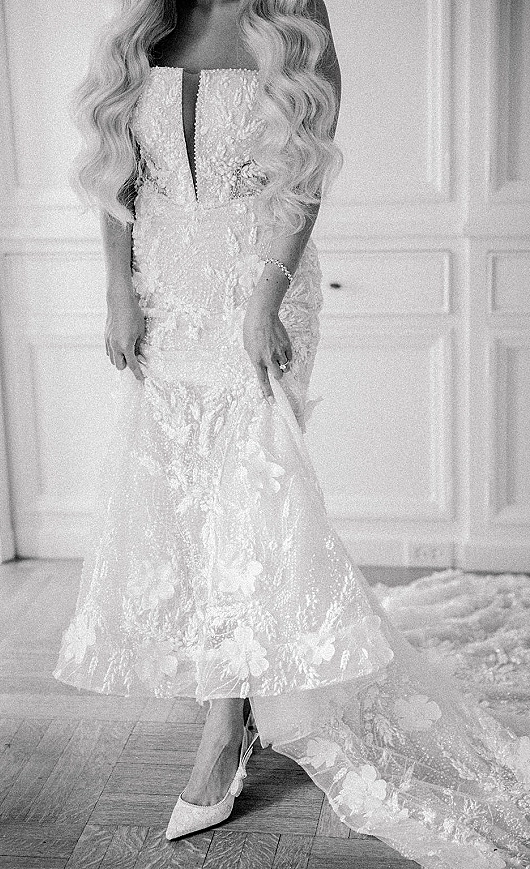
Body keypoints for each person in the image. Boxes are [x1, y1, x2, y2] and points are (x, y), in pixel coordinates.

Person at [52, 1, 530, 864]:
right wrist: (116, 290)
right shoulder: (149, 19)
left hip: (257, 295)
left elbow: (304, 181)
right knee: (189, 503)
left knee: (247, 502)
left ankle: (224, 728)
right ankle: (230, 689)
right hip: (164, 292)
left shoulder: (293, 15)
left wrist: (264, 302)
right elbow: (121, 172)